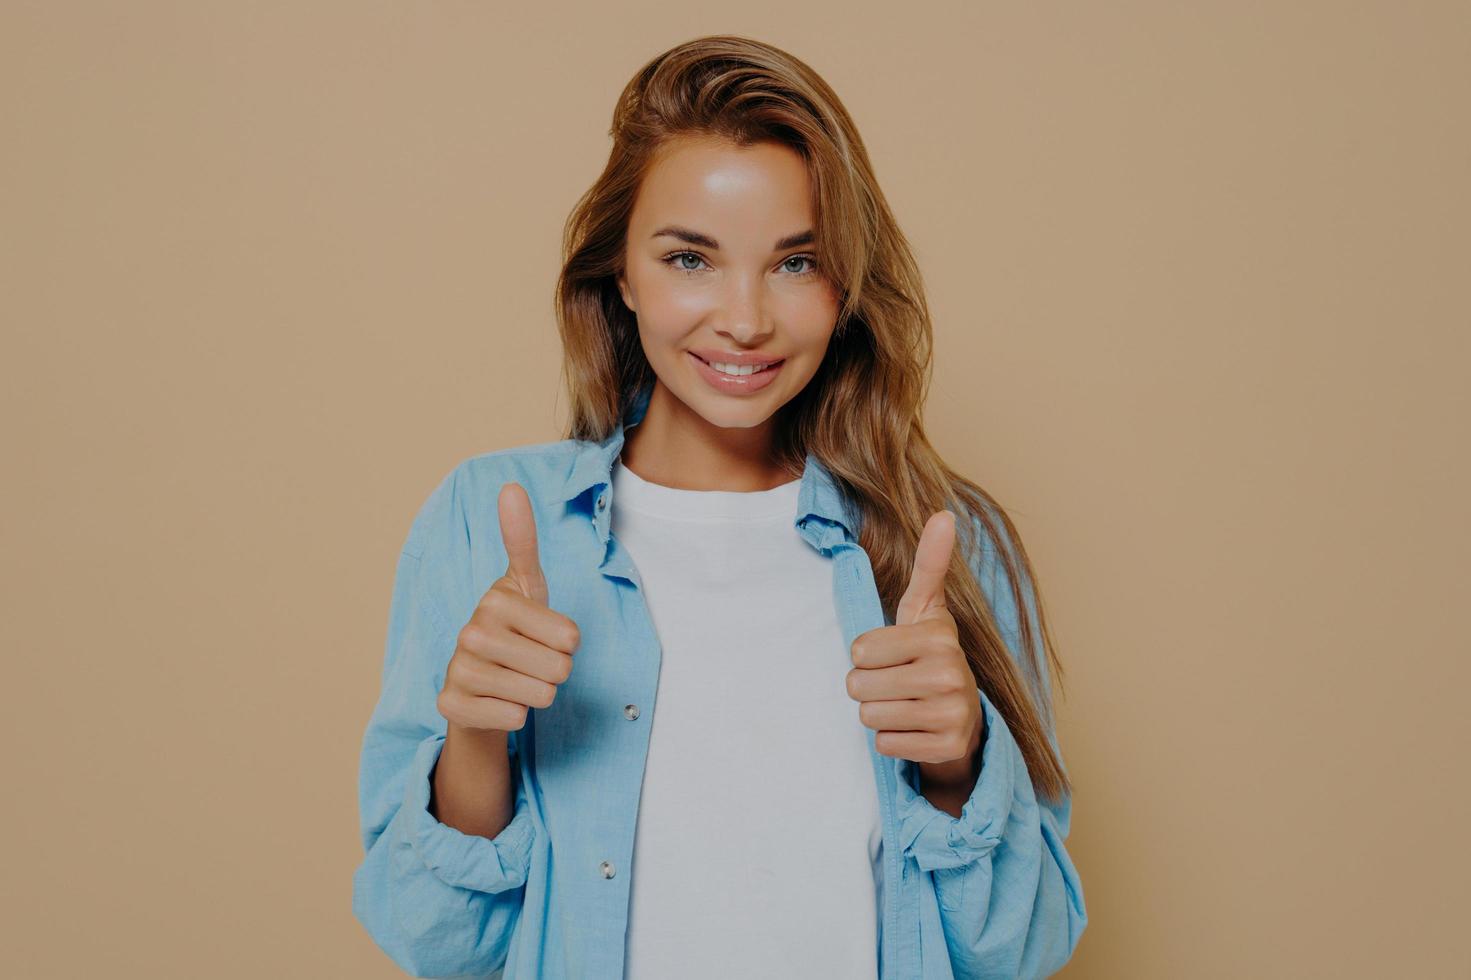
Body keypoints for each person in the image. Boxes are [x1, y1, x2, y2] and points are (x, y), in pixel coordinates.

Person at [352, 34, 1087, 980]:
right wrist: (476, 739)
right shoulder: (490, 516)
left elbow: (1020, 954)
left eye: (795, 263)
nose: (744, 319)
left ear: (848, 288)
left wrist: (957, 765)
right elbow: (435, 945)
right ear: (620, 272)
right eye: (689, 258)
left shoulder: (945, 541)